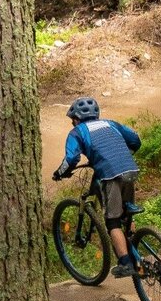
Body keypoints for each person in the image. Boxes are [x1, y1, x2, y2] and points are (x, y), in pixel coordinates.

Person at [53, 97, 142, 278]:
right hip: (130, 169)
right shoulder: (110, 124)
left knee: (113, 222)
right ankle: (134, 246)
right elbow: (135, 140)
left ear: (76, 119)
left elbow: (71, 159)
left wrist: (60, 173)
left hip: (110, 174)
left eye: (72, 119)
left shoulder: (77, 132)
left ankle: (126, 263)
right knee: (126, 212)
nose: (72, 123)